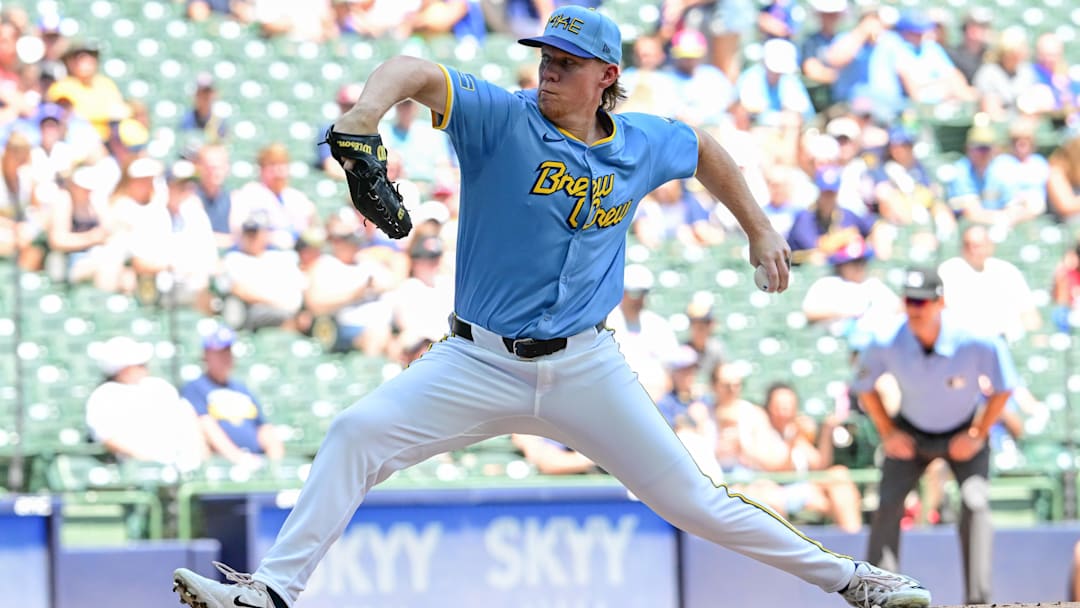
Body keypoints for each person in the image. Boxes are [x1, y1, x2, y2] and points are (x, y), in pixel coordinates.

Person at [172, 7, 929, 608]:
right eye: (544, 58)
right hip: (476, 358)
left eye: (565, 64)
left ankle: (855, 581)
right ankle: (272, 592)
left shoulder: (641, 141)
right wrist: (364, 119)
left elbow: (701, 147)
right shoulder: (500, 120)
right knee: (355, 434)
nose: (549, 72)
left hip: (586, 364)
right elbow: (409, 68)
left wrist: (760, 227)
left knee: (695, 499)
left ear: (607, 75)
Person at [854, 266, 1017, 605]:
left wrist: (977, 433)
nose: (916, 309)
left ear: (940, 302)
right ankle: (880, 597)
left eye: (924, 302)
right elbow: (864, 388)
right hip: (910, 432)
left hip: (963, 431)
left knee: (976, 503)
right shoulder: (885, 338)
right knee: (886, 505)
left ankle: (979, 601)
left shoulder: (975, 338)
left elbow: (1004, 387)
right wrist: (888, 432)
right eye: (911, 301)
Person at [86, 336, 208, 469]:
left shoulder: (158, 386)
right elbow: (107, 437)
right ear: (123, 369)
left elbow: (188, 419)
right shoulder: (104, 395)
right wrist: (146, 458)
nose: (145, 368)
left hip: (182, 465)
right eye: (140, 364)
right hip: (138, 470)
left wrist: (203, 458)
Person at [180, 323, 285, 467]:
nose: (225, 357)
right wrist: (238, 458)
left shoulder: (242, 389)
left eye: (227, 351)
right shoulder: (195, 388)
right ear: (206, 355)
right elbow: (206, 426)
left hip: (256, 464)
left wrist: (275, 464)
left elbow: (264, 428)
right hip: (222, 467)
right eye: (219, 353)